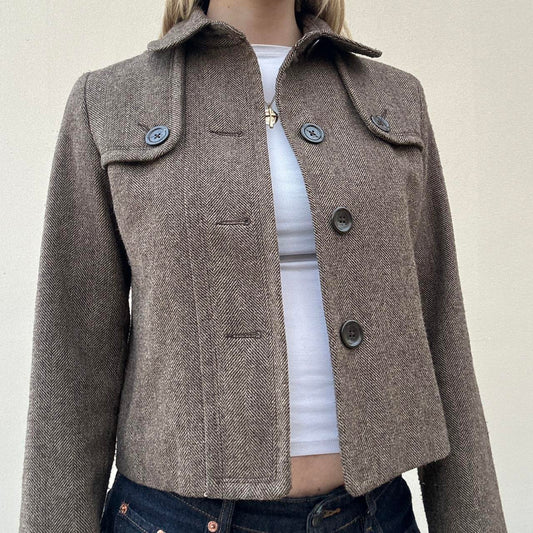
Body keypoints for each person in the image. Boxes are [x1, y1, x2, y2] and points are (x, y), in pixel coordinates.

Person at [18, 0, 507, 531]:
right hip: (175, 516)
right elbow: (72, 359)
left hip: (372, 515)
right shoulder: (108, 101)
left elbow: (440, 327)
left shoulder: (395, 97)